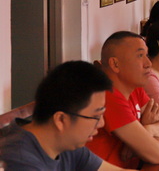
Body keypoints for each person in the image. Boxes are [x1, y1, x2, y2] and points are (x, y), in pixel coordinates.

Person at [0, 61, 132, 171]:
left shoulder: (66, 144)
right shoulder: (18, 161)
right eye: (96, 116)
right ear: (61, 120)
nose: (101, 123)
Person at [86, 32, 159, 168]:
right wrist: (146, 138)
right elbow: (158, 154)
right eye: (140, 55)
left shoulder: (134, 87)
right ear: (115, 64)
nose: (148, 63)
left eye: (146, 55)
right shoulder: (107, 95)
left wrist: (147, 130)